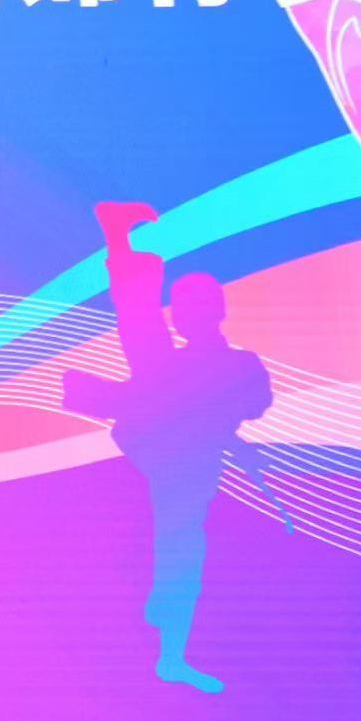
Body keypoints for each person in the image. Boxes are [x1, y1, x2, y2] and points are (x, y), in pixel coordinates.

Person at [62, 202, 274, 694]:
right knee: (179, 550)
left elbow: (249, 405)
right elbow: (135, 316)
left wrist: (216, 424)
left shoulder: (236, 365)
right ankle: (170, 652)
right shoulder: (170, 364)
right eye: (181, 307)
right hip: (169, 465)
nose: (187, 315)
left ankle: (170, 647)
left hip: (188, 468)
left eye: (198, 305)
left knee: (182, 551)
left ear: (218, 310)